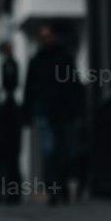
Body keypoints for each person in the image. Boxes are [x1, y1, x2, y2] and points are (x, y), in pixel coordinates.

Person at [22, 23, 80, 205]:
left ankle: (62, 188)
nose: (46, 39)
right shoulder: (36, 60)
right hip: (44, 111)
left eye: (49, 36)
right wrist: (27, 115)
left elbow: (74, 85)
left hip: (64, 111)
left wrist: (78, 113)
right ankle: (54, 189)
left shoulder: (64, 57)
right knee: (49, 151)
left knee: (65, 151)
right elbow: (29, 89)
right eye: (43, 36)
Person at [0, 43, 23, 204]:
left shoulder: (10, 64)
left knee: (11, 164)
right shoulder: (9, 105)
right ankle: (13, 193)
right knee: (11, 164)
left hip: (9, 141)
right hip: (9, 141)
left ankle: (13, 193)